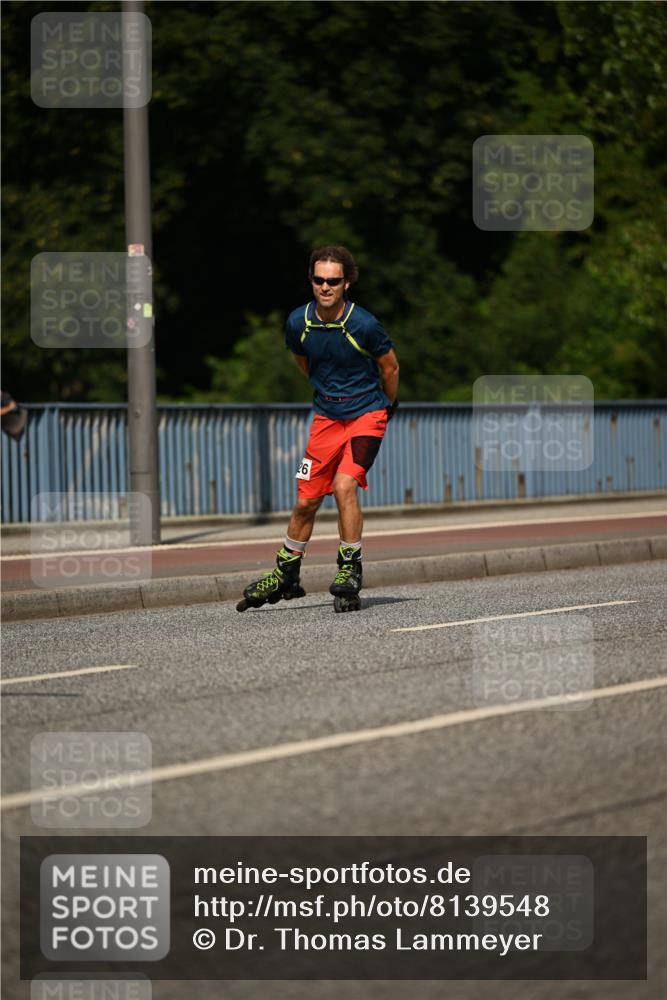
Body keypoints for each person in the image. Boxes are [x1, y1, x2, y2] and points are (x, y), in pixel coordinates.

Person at [238, 245, 399, 613]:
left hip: (366, 415)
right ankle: (286, 573)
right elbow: (302, 359)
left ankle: (349, 570)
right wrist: (326, 390)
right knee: (306, 499)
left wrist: (388, 407)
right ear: (311, 280)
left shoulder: (364, 324)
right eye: (319, 280)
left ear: (347, 283)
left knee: (344, 486)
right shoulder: (298, 322)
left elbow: (390, 367)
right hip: (326, 419)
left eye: (334, 281)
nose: (325, 287)